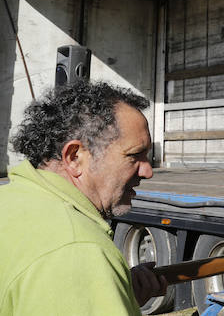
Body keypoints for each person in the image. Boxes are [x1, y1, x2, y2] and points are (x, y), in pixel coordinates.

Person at [0, 80, 168, 315]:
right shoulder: (79, 251)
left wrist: (108, 294)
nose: (148, 171)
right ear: (74, 156)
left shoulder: (9, 199)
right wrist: (91, 280)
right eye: (134, 155)